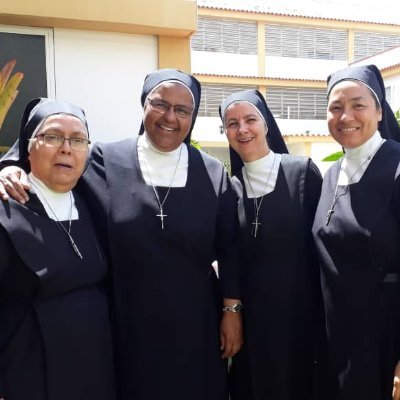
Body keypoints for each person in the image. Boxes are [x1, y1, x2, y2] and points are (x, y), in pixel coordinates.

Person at [0, 69, 242, 400]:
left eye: (183, 109)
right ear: (144, 104)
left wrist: (231, 312)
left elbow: (230, 248)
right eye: (160, 103)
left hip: (195, 322)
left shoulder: (212, 172)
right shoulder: (101, 159)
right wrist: (9, 167)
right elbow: (50, 154)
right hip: (124, 320)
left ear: (193, 116)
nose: (170, 116)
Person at [0, 98, 116, 400]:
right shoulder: (5, 210)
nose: (66, 148)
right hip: (29, 372)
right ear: (29, 145)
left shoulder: (95, 201)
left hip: (96, 369)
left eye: (78, 140)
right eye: (52, 137)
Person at [219, 89, 323, 400]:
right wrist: (232, 311)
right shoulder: (229, 188)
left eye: (250, 119)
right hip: (252, 324)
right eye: (232, 123)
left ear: (266, 125)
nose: (242, 129)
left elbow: (322, 245)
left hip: (300, 318)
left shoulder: (300, 172)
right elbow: (229, 256)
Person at [312, 64, 400, 400]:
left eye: (358, 105)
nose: (345, 115)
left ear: (379, 111)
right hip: (340, 339)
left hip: (386, 336)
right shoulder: (332, 174)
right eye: (336, 107)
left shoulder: (397, 165)